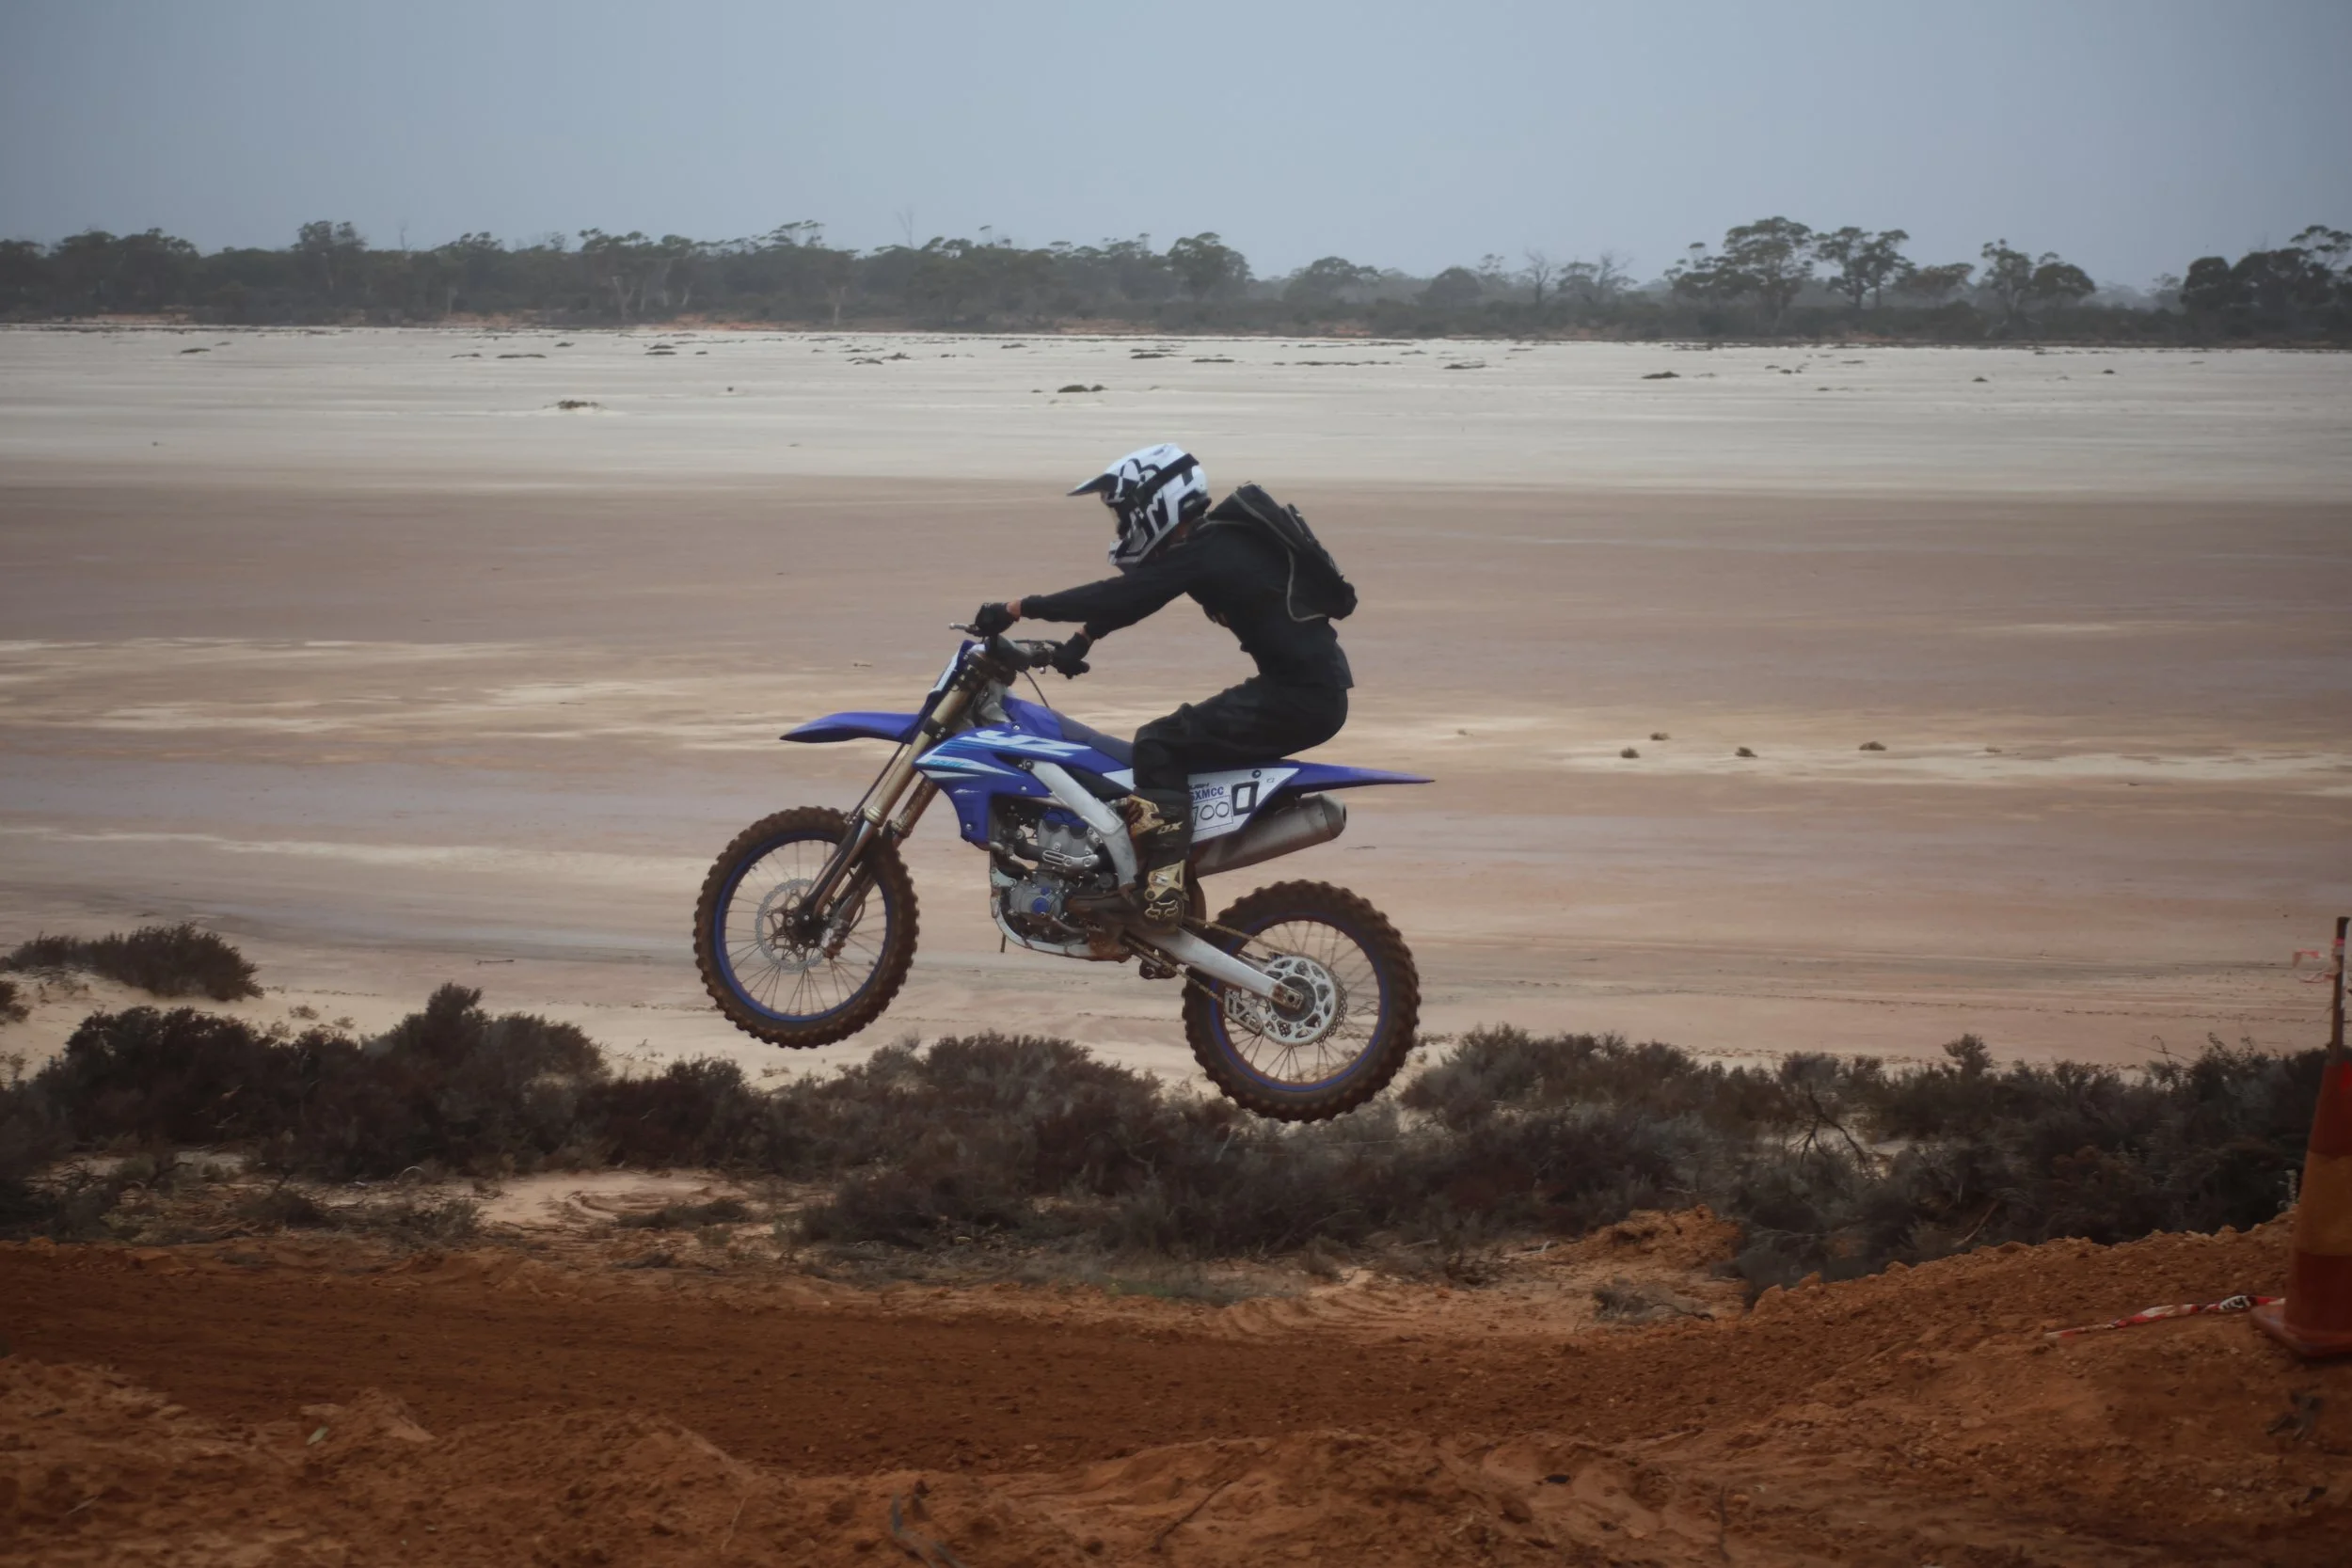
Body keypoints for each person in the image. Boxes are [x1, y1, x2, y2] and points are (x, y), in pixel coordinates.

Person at [972, 443, 1352, 931]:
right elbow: (1139, 599)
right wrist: (1084, 639)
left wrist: (1017, 607)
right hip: (1306, 691)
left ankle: (1162, 891)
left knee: (1159, 742)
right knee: (1171, 744)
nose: (1123, 527)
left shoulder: (1206, 550)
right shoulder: (1210, 545)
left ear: (1156, 503)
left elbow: (1125, 592)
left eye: (1125, 514)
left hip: (1298, 697)